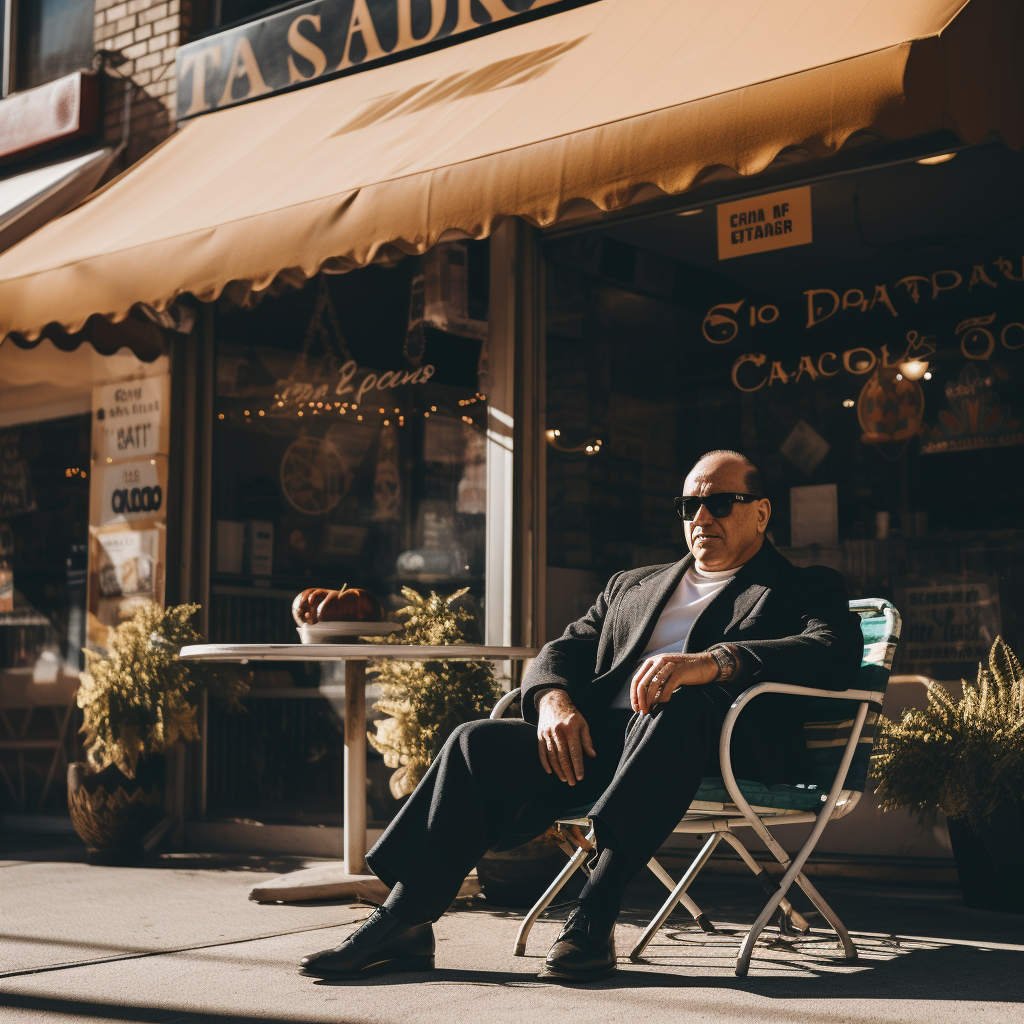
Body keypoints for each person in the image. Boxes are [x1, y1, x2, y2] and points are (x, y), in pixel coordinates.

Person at [300, 450, 863, 982]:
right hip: (600, 747)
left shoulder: (803, 585)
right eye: (689, 505)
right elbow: (563, 650)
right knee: (477, 742)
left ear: (761, 512)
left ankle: (595, 912)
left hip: (715, 744)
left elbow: (832, 649)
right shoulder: (634, 584)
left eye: (719, 502)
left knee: (678, 701)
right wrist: (553, 701)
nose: (700, 516)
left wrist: (714, 663)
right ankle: (405, 918)